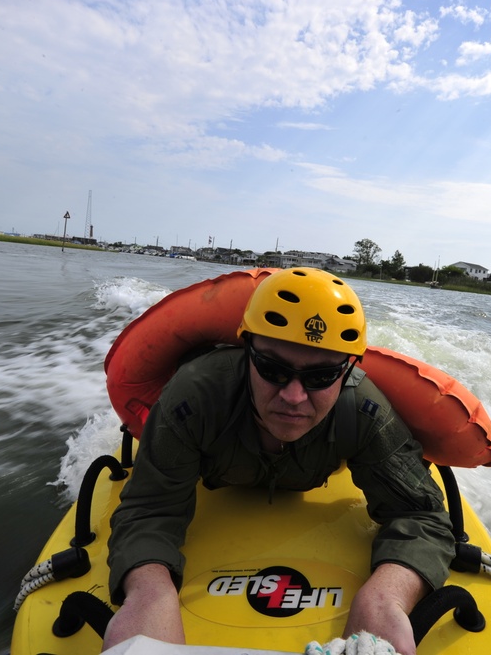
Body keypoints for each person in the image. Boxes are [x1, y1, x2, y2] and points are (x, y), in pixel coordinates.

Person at [102, 267, 454, 655]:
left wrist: (384, 600)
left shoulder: (365, 411)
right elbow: (150, 509)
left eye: (322, 376)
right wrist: (148, 595)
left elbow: (423, 516)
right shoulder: (194, 398)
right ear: (246, 352)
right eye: (272, 369)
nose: (293, 396)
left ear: (349, 369)